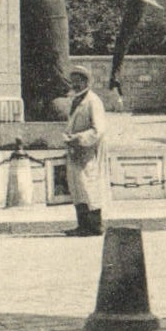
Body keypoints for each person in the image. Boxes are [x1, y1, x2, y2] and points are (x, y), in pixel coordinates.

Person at [62, 66, 108, 236]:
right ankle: (82, 226)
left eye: (79, 80)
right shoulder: (76, 100)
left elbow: (98, 129)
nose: (75, 83)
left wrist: (79, 138)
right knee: (77, 188)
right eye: (73, 80)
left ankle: (95, 226)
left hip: (88, 153)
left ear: (86, 82)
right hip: (76, 152)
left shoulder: (93, 101)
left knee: (90, 188)